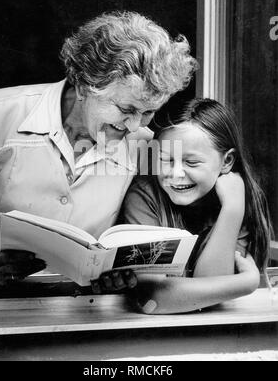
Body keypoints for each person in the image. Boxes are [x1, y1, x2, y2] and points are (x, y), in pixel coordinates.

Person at [0, 11, 197, 287]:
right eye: (126, 109)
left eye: (148, 112)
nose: (134, 126)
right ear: (83, 86)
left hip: (82, 312)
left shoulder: (146, 145)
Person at [93, 98, 272, 314]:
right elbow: (154, 299)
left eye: (191, 162)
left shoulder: (236, 198)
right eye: (166, 160)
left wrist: (232, 211)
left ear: (227, 161)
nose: (176, 174)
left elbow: (211, 294)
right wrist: (245, 283)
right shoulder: (144, 196)